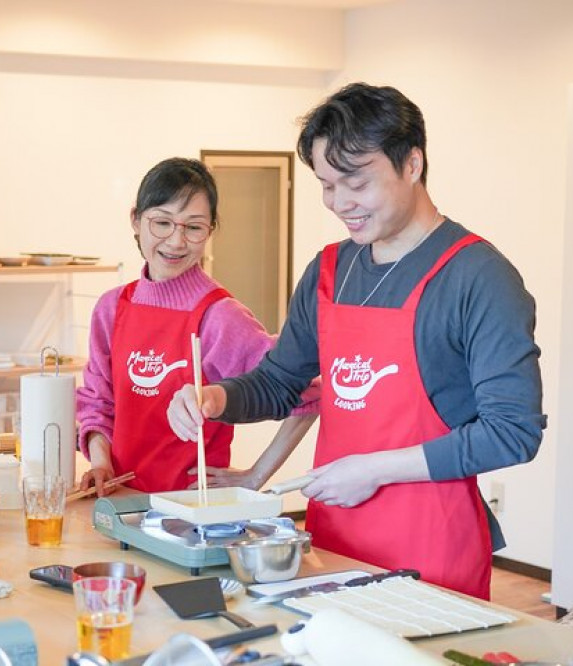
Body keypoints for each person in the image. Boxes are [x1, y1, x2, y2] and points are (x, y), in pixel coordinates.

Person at [167, 83, 545, 600]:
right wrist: (217, 397)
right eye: (326, 185)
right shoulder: (330, 269)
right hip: (333, 544)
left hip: (431, 555)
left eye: (356, 183)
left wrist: (374, 470)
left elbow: (512, 432)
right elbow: (280, 382)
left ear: (411, 165)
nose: (340, 203)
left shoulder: (478, 278)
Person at [77, 157, 318, 496]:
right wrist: (101, 464)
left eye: (193, 227)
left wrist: (255, 475)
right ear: (135, 220)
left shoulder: (221, 316)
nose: (176, 242)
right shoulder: (111, 308)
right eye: (162, 223)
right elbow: (97, 401)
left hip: (192, 514)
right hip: (118, 503)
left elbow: (308, 393)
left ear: (210, 230)